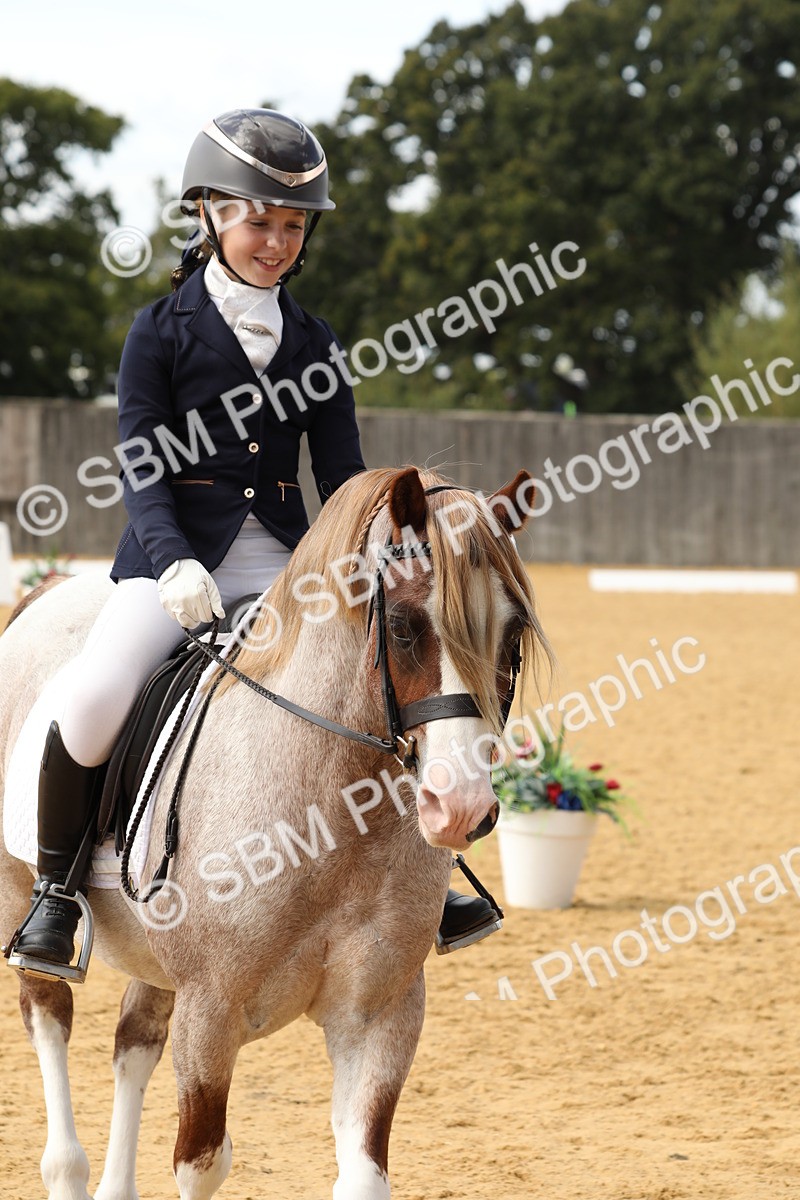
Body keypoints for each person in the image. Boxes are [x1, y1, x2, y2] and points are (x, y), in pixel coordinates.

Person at [8, 109, 499, 979]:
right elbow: (141, 461)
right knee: (91, 698)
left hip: (285, 560)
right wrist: (172, 562)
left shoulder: (316, 343)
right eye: (258, 220)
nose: (274, 241)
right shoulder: (158, 331)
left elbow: (348, 481)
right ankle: (57, 893)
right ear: (208, 213)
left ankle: (437, 873)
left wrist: (380, 555)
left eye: (292, 225)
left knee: (372, 690)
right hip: (173, 561)